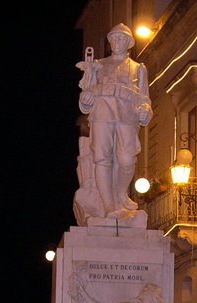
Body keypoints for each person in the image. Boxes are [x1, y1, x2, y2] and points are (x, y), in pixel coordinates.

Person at [76, 23, 153, 220]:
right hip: (102, 114)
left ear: (128, 43)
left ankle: (120, 193)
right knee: (102, 159)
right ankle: (109, 207)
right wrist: (86, 99)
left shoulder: (138, 69)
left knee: (126, 158)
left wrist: (145, 111)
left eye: (121, 38)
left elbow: (144, 99)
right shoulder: (98, 65)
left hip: (127, 116)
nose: (116, 42)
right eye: (113, 38)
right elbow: (86, 98)